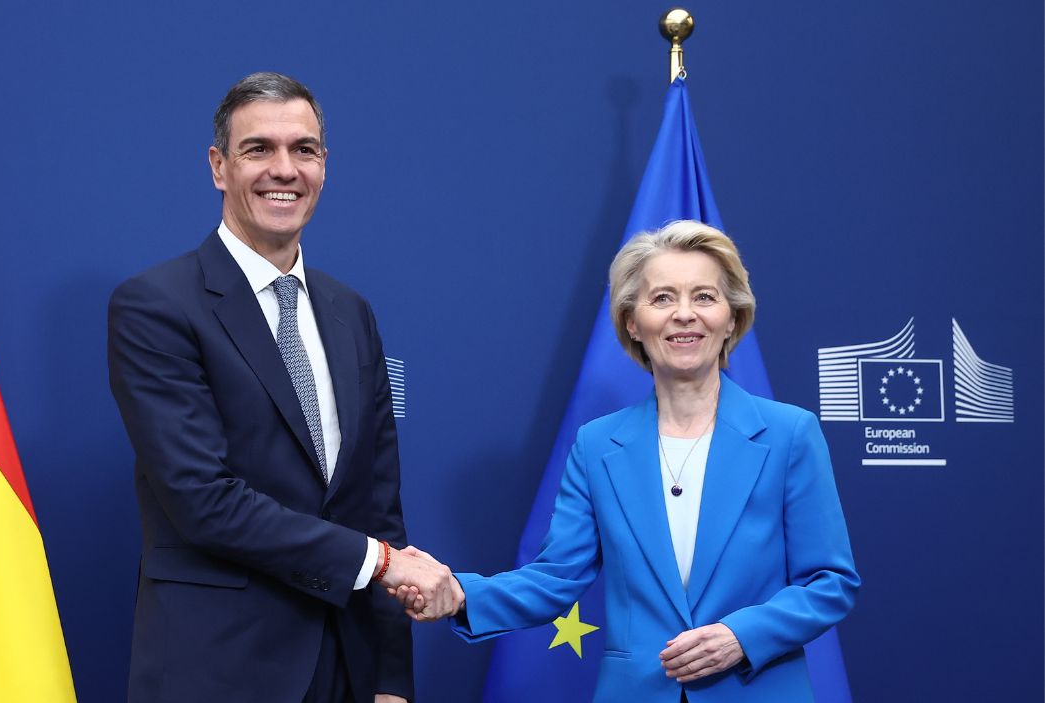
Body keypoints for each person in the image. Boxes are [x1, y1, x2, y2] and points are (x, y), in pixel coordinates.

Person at [394, 220, 859, 702]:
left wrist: (743, 636)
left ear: (732, 316)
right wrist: (462, 595)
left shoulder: (789, 434)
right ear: (632, 321)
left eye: (704, 297)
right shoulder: (597, 445)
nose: (684, 315)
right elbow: (557, 576)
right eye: (662, 298)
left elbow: (830, 581)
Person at [108, 72, 459, 703]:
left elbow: (378, 507)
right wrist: (379, 563)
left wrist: (389, 681)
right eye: (257, 150)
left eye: (303, 150)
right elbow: (201, 499)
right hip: (217, 668)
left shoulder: (350, 311)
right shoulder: (156, 306)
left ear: (324, 167)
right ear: (219, 167)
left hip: (347, 666)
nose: (284, 169)